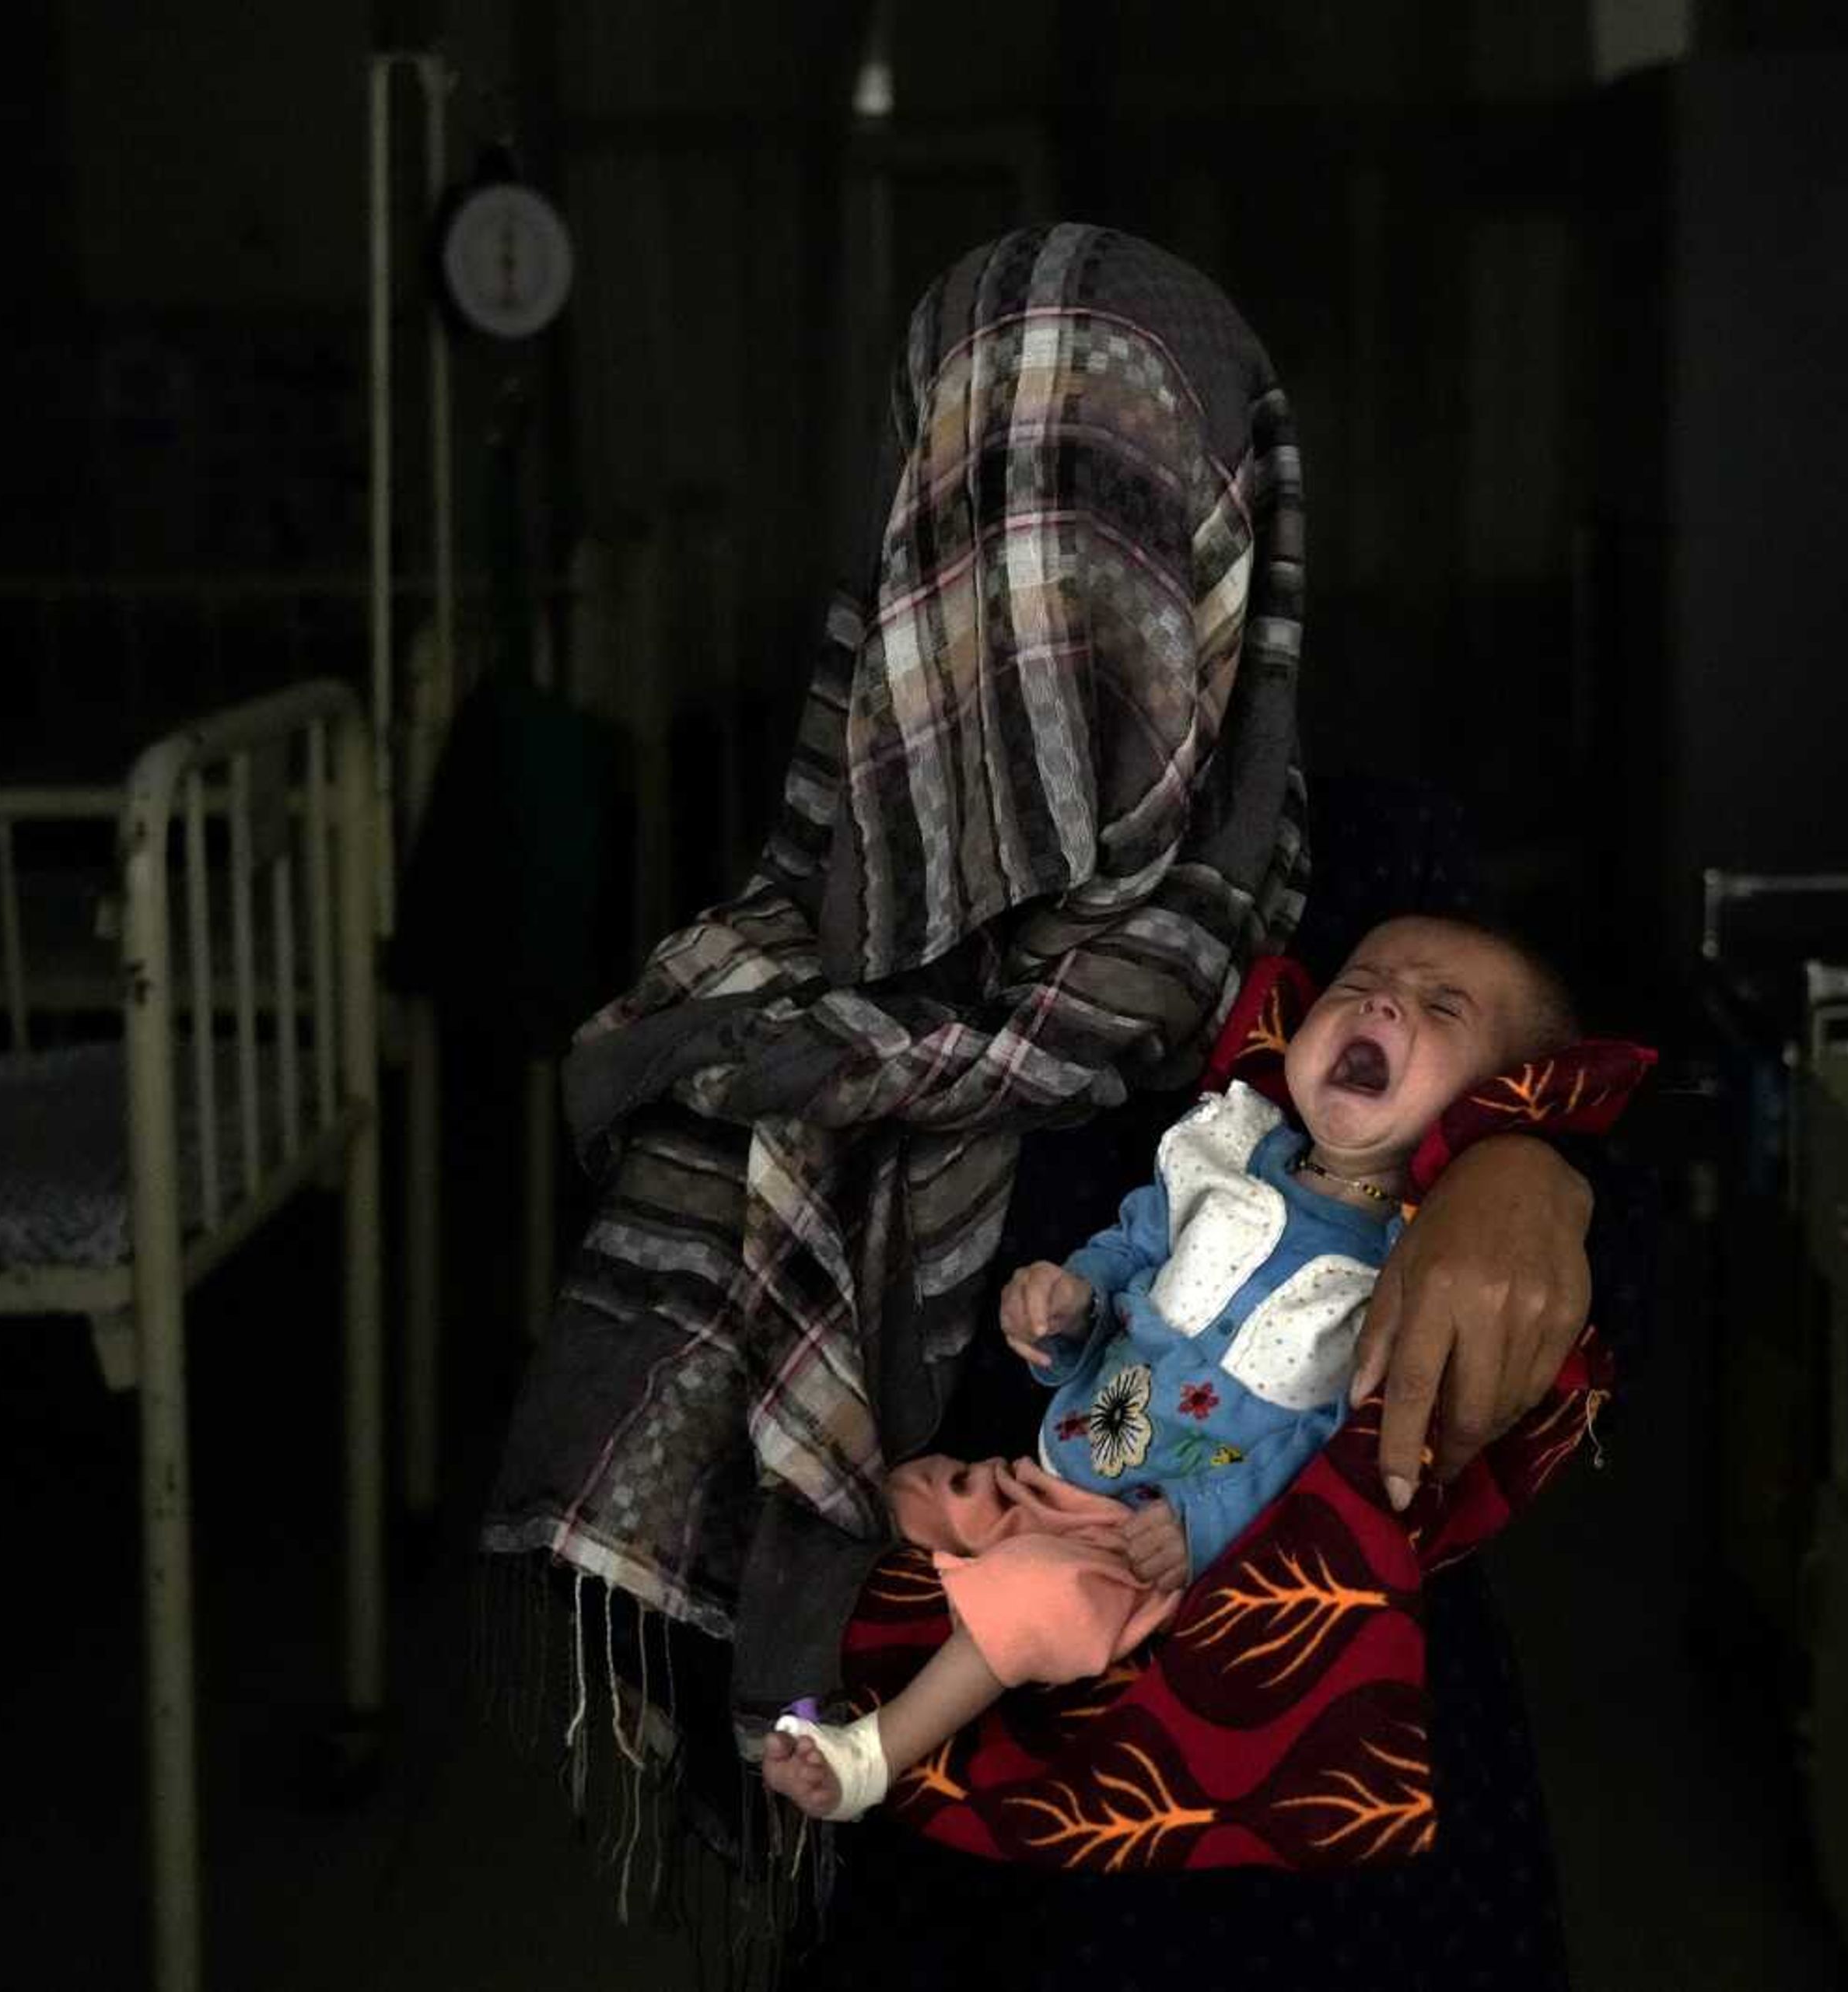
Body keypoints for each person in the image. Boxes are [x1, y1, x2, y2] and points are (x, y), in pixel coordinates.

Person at [481, 224, 1608, 1987]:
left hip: (1329, 1839)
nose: (1061, 596)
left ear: (1236, 557)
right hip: (967, 1850)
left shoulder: (1369, 888)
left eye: (1125, 521)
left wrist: (1534, 1157)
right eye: (996, 518)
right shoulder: (775, 982)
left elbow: (1567, 1065)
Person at [761, 915, 1579, 1820]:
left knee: (1035, 1596)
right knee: (886, 1505)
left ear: (1492, 1102)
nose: (1383, 999)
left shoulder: (1407, 1266)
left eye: (1441, 1007)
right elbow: (1127, 1256)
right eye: (1358, 983)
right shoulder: (1222, 1152)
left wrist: (1205, 1522)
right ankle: (798, 1696)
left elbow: (1333, 1440)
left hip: (1145, 1545)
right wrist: (1064, 1303)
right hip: (1051, 1473)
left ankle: (870, 1757)